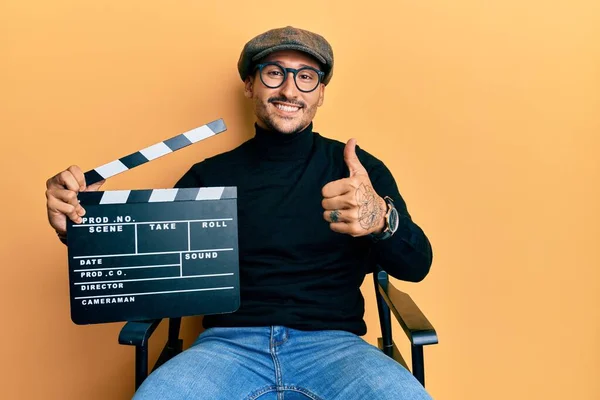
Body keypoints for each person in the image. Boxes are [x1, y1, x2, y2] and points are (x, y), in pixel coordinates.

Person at [45, 26, 434, 399]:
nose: (289, 89)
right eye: (274, 73)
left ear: (320, 93)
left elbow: (417, 266)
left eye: (306, 77)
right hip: (225, 348)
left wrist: (382, 219)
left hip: (337, 347)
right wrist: (79, 227)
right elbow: (152, 275)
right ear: (250, 84)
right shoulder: (208, 176)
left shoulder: (357, 172)